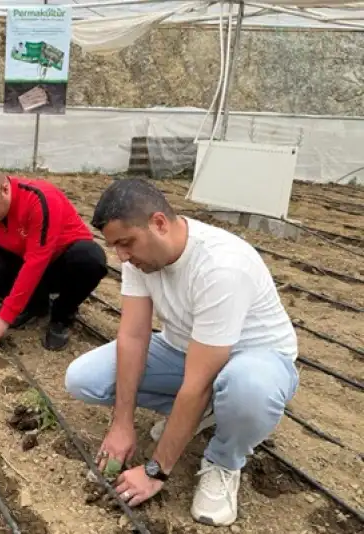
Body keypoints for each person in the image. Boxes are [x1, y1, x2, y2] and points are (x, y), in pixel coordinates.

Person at [64, 178, 299, 526]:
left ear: (159, 223)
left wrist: (155, 470)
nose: (121, 256)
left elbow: (198, 380)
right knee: (84, 379)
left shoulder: (220, 265)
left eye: (126, 243)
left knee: (248, 390)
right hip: (183, 348)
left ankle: (223, 461)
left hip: (254, 358)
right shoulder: (140, 260)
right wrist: (122, 422)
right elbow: (133, 336)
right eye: (114, 246)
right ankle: (208, 411)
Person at [0, 164, 108, 351]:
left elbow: (36, 263)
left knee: (90, 258)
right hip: (27, 261)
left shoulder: (39, 200)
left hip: (59, 263)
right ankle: (35, 305)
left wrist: (4, 318)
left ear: (5, 189)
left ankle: (62, 315)